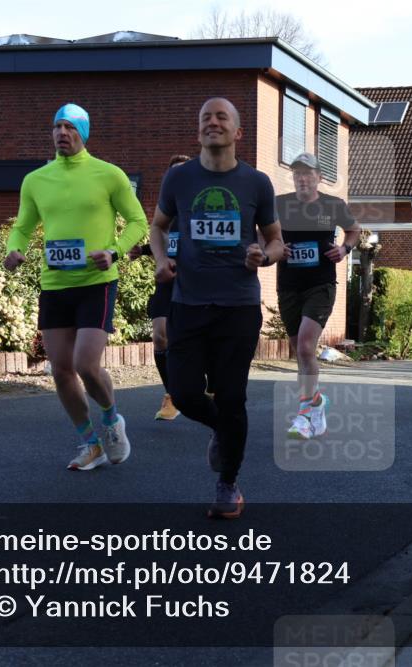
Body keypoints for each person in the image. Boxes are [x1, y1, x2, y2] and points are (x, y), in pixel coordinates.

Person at [150, 97, 284, 519]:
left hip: (238, 307)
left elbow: (277, 241)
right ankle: (222, 432)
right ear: (198, 132)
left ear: (238, 132)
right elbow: (157, 226)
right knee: (186, 393)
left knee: (232, 396)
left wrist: (263, 256)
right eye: (205, 116)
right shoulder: (178, 178)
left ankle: (228, 483)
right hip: (188, 303)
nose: (212, 121)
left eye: (221, 116)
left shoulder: (257, 183)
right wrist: (160, 260)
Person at [4, 103, 148, 471]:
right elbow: (23, 225)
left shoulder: (108, 175)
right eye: (56, 126)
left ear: (83, 133)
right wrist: (14, 249)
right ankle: (89, 442)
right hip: (55, 283)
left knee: (86, 363)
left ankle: (112, 419)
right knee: (61, 369)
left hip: (95, 282)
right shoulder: (36, 180)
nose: (61, 133)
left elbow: (137, 221)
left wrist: (114, 252)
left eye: (70, 127)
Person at [275, 152, 360, 439]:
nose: (302, 178)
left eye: (308, 174)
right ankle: (317, 403)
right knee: (299, 348)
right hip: (288, 285)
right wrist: (274, 248)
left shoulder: (333, 205)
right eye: (297, 174)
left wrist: (345, 249)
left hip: (320, 285)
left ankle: (303, 416)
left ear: (319, 178)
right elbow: (264, 233)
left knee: (306, 347)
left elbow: (353, 230)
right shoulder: (280, 204)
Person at [128, 154, 191, 420]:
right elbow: (163, 243)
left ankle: (207, 382)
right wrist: (141, 250)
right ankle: (172, 395)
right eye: (172, 173)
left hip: (195, 285)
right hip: (167, 282)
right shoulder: (165, 210)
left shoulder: (198, 208)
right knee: (160, 335)